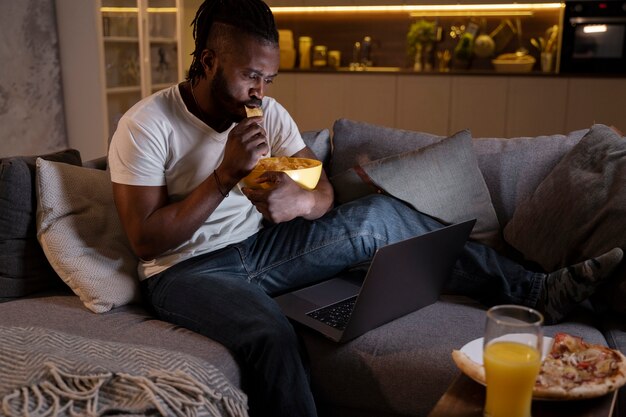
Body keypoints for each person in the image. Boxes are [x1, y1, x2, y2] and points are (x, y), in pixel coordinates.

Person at [107, 1, 623, 416]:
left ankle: (535, 289)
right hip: (187, 272)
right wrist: (224, 176)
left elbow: (323, 189)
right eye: (249, 77)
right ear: (208, 60)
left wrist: (300, 199)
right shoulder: (147, 125)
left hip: (259, 249)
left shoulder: (269, 115)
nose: (259, 93)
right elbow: (147, 238)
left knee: (382, 215)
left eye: (269, 80)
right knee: (270, 334)